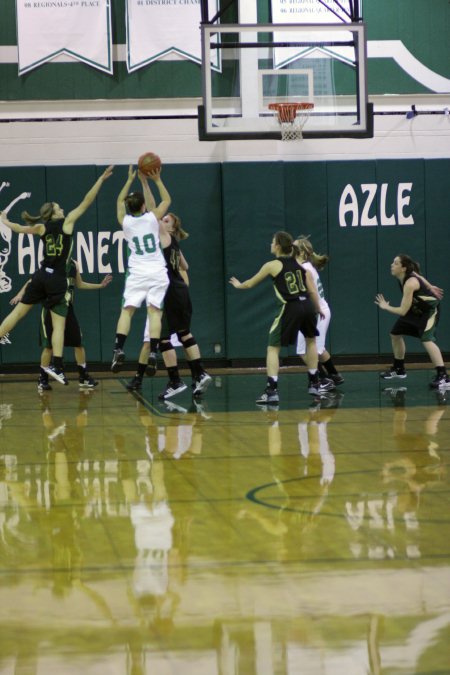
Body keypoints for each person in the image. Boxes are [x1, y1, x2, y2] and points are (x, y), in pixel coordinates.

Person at [0, 166, 114, 385]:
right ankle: (58, 366)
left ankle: (56, 367)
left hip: (41, 275)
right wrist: (100, 179)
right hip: (57, 280)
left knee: (16, 314)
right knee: (59, 326)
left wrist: (4, 220)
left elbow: (17, 228)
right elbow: (87, 200)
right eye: (59, 207)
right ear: (55, 213)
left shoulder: (42, 228)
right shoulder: (68, 223)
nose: (63, 209)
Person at [229, 231, 336, 405]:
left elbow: (250, 283)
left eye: (272, 242)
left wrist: (238, 285)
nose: (270, 244)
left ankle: (271, 390)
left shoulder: (272, 265)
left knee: (273, 347)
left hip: (290, 307)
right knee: (311, 342)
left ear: (278, 245)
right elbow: (311, 291)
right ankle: (314, 382)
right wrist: (317, 308)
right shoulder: (300, 265)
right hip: (308, 307)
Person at [126, 210, 212, 399]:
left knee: (163, 338)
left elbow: (151, 213)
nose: (161, 221)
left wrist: (147, 183)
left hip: (168, 290)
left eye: (166, 220)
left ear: (171, 228)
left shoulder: (164, 236)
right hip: (181, 290)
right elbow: (186, 267)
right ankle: (200, 373)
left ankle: (175, 381)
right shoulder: (174, 244)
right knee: (184, 333)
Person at [10, 259, 112, 391]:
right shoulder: (51, 263)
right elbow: (32, 280)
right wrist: (20, 294)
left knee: (78, 344)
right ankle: (42, 379)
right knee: (49, 347)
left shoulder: (73, 264)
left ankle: (83, 377)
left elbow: (79, 284)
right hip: (51, 308)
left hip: (67, 308)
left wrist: (100, 285)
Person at [111, 165, 170, 376]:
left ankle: (118, 349)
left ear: (129, 206)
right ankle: (153, 353)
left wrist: (129, 180)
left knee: (127, 310)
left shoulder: (125, 222)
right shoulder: (152, 217)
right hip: (156, 271)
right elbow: (166, 201)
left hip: (136, 272)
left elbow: (118, 201)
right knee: (154, 312)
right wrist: (156, 179)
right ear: (144, 205)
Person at [375, 254, 450, 389]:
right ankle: (399, 369)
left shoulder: (410, 283)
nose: (392, 265)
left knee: (426, 339)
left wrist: (386, 307)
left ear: (403, 268)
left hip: (429, 310)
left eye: (395, 263)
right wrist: (429, 285)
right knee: (395, 334)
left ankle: (444, 376)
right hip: (416, 309)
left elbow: (403, 311)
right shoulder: (406, 275)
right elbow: (418, 275)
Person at [295, 235, 344, 385]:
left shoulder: (304, 268)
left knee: (309, 351)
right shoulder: (305, 267)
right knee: (314, 350)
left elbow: (312, 294)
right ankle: (334, 376)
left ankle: (323, 380)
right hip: (315, 311)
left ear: (302, 251)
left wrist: (316, 310)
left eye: (294, 246)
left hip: (317, 312)